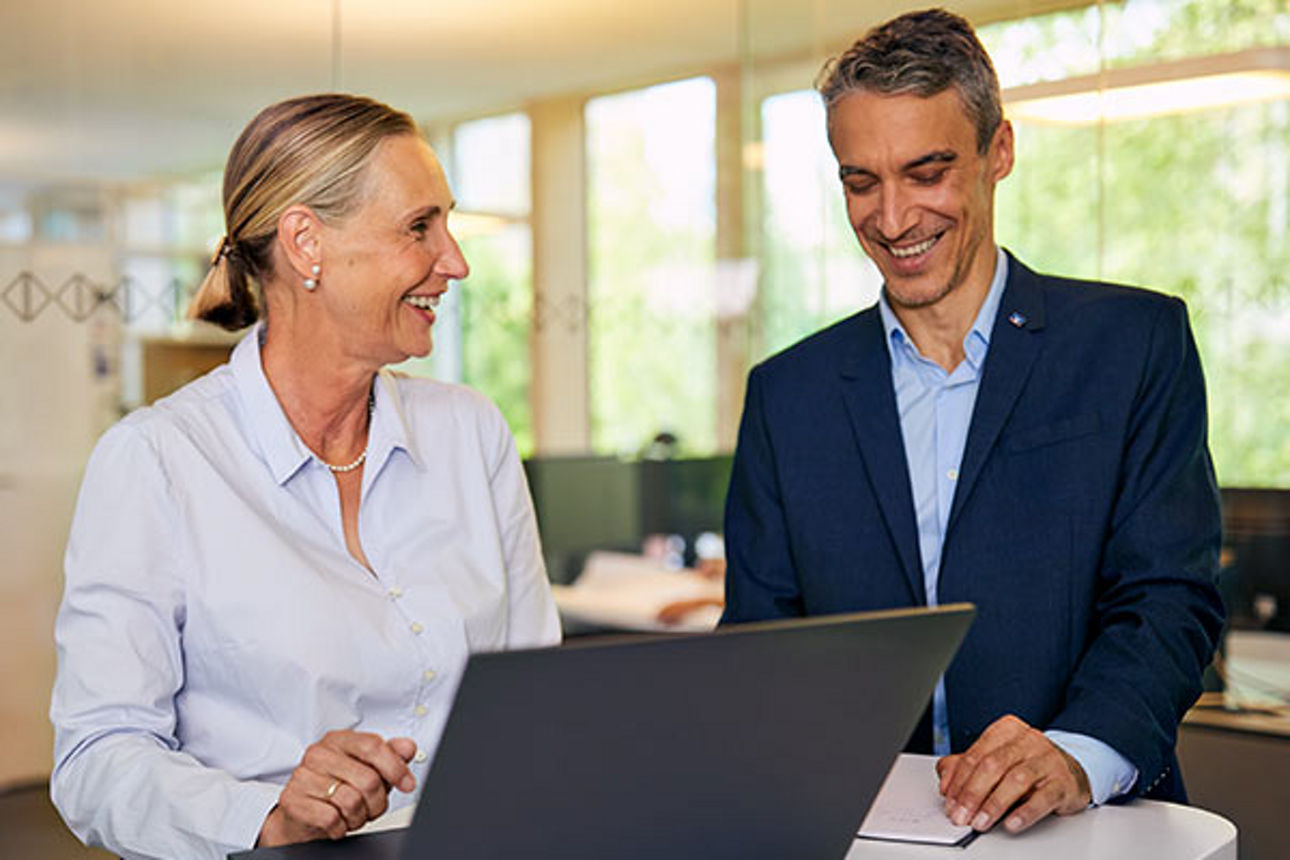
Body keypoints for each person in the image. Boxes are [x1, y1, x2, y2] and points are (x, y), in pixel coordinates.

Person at [720, 8, 1224, 837]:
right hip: (867, 836)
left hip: (1094, 828)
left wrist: (1077, 752)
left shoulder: (1133, 343)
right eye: (861, 182)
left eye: (926, 172)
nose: (892, 219)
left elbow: (1170, 598)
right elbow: (758, 649)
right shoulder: (788, 395)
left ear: (1000, 152)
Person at [49, 94, 560, 859]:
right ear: (305, 242)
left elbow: (538, 702)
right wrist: (267, 816)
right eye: (419, 227)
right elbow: (96, 762)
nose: (455, 261)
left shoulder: (472, 434)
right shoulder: (158, 460)